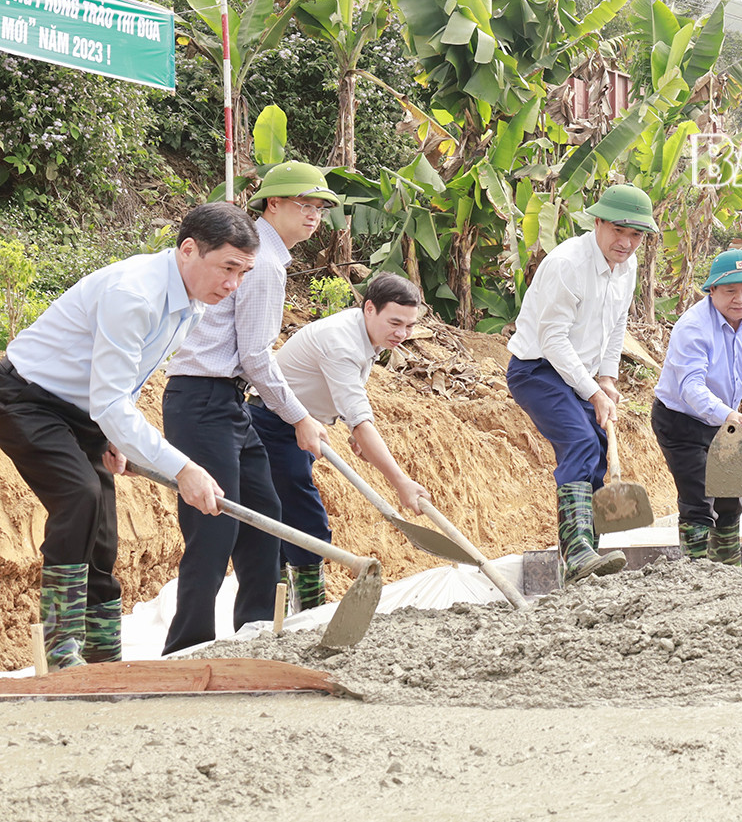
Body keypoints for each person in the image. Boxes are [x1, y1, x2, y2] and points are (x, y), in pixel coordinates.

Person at [0, 203, 253, 669]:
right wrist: (182, 466)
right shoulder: (134, 293)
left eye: (243, 272)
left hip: (87, 412)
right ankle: (60, 650)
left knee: (102, 530)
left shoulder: (191, 305)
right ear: (189, 250)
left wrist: (115, 434)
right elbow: (111, 400)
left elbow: (126, 381)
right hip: (26, 396)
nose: (233, 284)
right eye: (228, 268)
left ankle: (101, 651)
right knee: (78, 497)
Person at [161, 163, 336, 653]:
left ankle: (255, 635)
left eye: (320, 208)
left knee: (264, 515)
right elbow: (256, 356)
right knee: (214, 531)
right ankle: (185, 648)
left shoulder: (261, 257)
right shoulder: (260, 263)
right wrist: (299, 417)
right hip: (200, 400)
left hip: (228, 403)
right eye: (305, 205)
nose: (314, 216)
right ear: (272, 204)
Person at [248, 272, 430, 611]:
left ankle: (292, 613)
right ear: (369, 308)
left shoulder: (366, 334)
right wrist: (401, 482)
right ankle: (302, 613)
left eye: (409, 326)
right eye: (395, 323)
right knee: (304, 523)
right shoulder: (341, 341)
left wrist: (352, 429)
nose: (402, 334)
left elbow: (350, 407)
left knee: (291, 522)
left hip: (298, 427)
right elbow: (360, 419)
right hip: (271, 426)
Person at [507, 184, 658, 586]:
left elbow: (617, 326)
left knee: (594, 454)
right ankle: (576, 553)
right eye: (618, 231)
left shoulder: (628, 267)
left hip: (582, 375)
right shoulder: (567, 264)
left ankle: (581, 555)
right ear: (598, 223)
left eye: (636, 235)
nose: (626, 243)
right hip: (536, 369)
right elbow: (553, 338)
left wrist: (606, 377)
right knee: (581, 443)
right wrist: (591, 390)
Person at [653, 250, 742, 564]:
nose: (740, 299)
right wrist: (730, 415)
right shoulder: (692, 326)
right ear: (711, 291)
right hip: (682, 421)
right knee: (698, 500)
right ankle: (696, 574)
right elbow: (691, 387)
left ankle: (727, 568)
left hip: (729, 421)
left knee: (730, 502)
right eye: (730, 291)